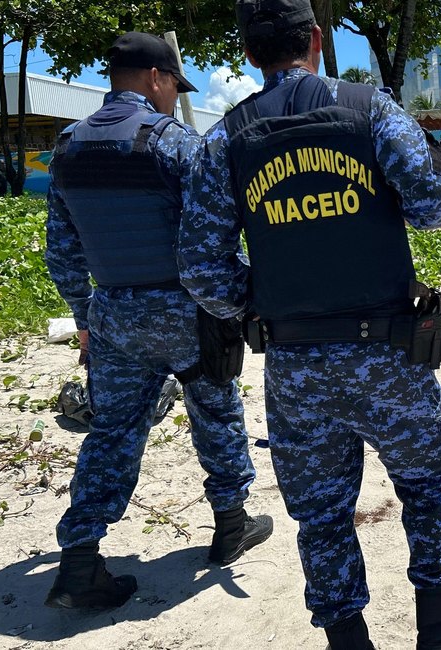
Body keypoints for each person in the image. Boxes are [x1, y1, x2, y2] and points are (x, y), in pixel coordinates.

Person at [177, 2, 441, 649]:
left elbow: (200, 268)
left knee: (321, 517)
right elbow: (435, 207)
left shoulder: (228, 139)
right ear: (316, 42)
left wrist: (262, 304)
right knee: (430, 487)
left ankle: (349, 643)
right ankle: (439, 633)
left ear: (247, 53)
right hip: (389, 351)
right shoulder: (368, 109)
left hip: (294, 365)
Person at [43, 31, 272, 610]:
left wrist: (84, 317)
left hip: (113, 311)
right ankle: (229, 524)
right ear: (154, 78)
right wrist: (237, 297)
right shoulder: (173, 143)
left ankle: (78, 563)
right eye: (174, 83)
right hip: (183, 308)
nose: (174, 95)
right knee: (215, 408)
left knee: (113, 430)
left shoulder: (67, 147)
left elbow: (62, 250)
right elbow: (213, 231)